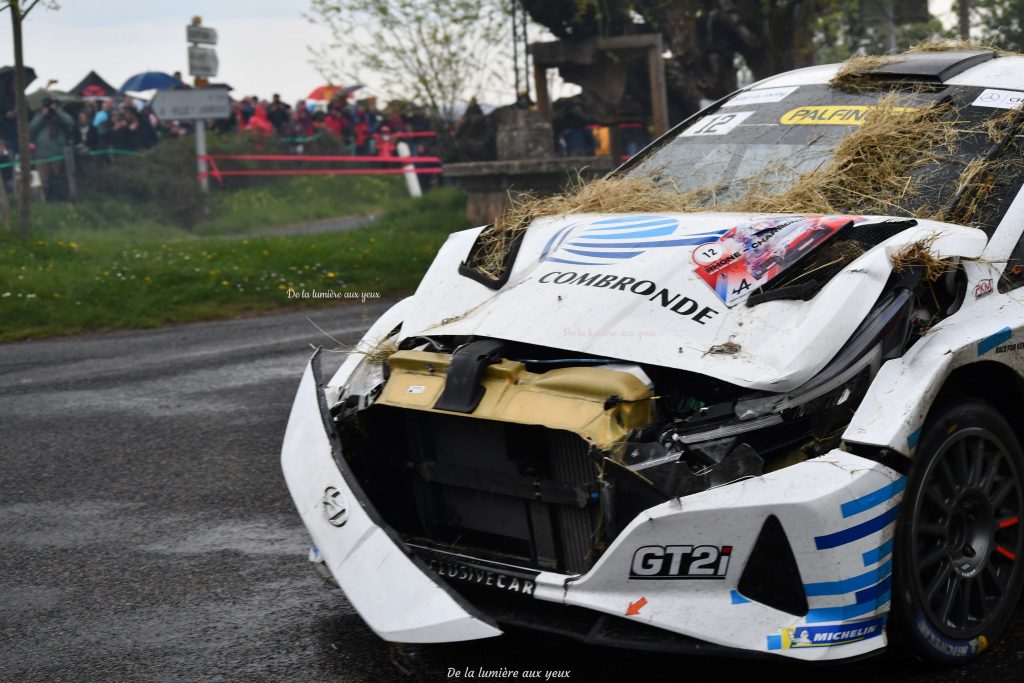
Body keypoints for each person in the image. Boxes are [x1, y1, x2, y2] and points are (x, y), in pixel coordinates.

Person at [29, 98, 74, 200]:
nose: (48, 107)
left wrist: (57, 111)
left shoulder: (59, 114)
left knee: (58, 177)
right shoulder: (39, 115)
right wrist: (42, 115)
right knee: (42, 179)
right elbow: (32, 127)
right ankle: (44, 200)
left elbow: (70, 122)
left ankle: (60, 198)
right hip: (41, 153)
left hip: (57, 152)